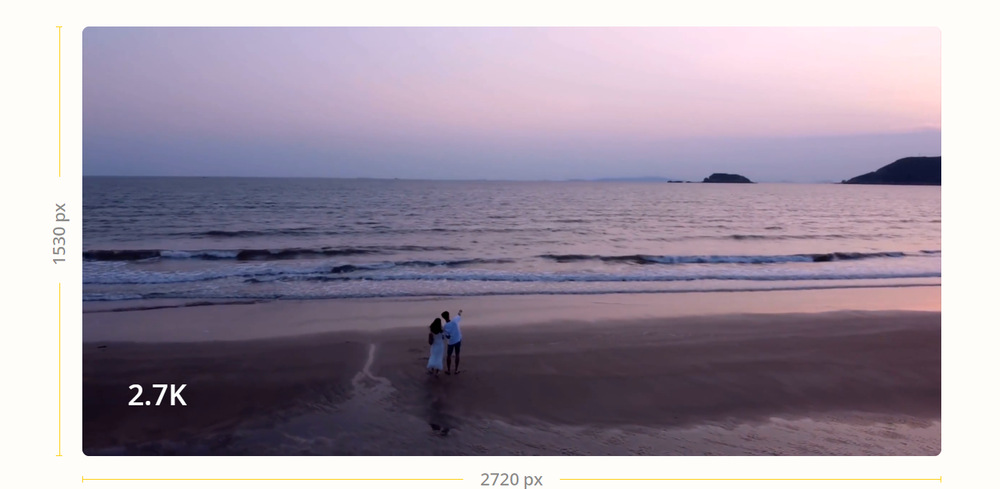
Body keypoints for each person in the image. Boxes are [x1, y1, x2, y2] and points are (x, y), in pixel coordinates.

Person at [442, 309, 463, 375]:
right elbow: (459, 315)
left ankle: (448, 370)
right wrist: (460, 311)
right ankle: (456, 370)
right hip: (458, 340)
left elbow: (447, 336)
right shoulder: (455, 320)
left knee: (449, 355)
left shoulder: (445, 326)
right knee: (457, 354)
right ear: (449, 315)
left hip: (451, 342)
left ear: (443, 318)